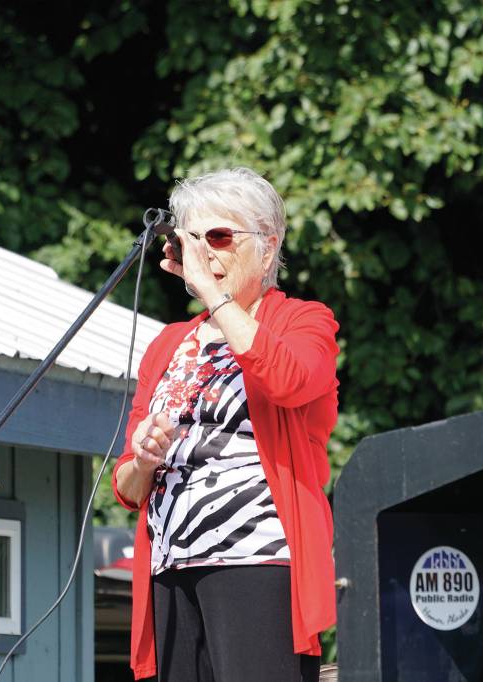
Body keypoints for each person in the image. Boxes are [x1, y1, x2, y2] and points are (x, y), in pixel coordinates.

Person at [112, 167, 339, 682]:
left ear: (267, 246)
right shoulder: (169, 344)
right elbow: (126, 488)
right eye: (193, 240)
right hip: (171, 565)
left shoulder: (304, 321)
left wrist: (215, 296)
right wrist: (144, 460)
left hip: (256, 558)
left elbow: (289, 380)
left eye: (219, 237)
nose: (205, 253)